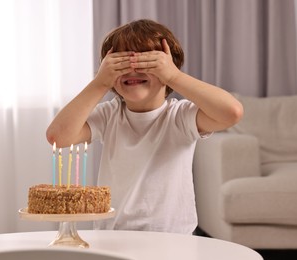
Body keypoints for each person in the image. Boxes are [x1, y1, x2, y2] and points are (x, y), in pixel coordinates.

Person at [46, 19, 243, 234]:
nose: (132, 70)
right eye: (121, 62)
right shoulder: (110, 114)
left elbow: (231, 112)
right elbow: (58, 136)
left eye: (147, 62)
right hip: (113, 234)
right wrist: (99, 82)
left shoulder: (180, 116)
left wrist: (173, 76)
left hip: (172, 237)